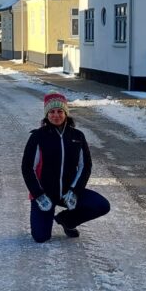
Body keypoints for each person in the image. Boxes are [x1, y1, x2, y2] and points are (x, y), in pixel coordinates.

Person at [20, 92, 110, 242]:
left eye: (60, 111)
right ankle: (46, 214)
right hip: (45, 195)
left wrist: (75, 191)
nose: (56, 115)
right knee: (41, 237)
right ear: (46, 115)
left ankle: (68, 221)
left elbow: (85, 166)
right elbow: (27, 168)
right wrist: (39, 195)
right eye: (52, 112)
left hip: (68, 193)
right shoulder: (37, 137)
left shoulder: (77, 136)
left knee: (101, 205)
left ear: (66, 113)